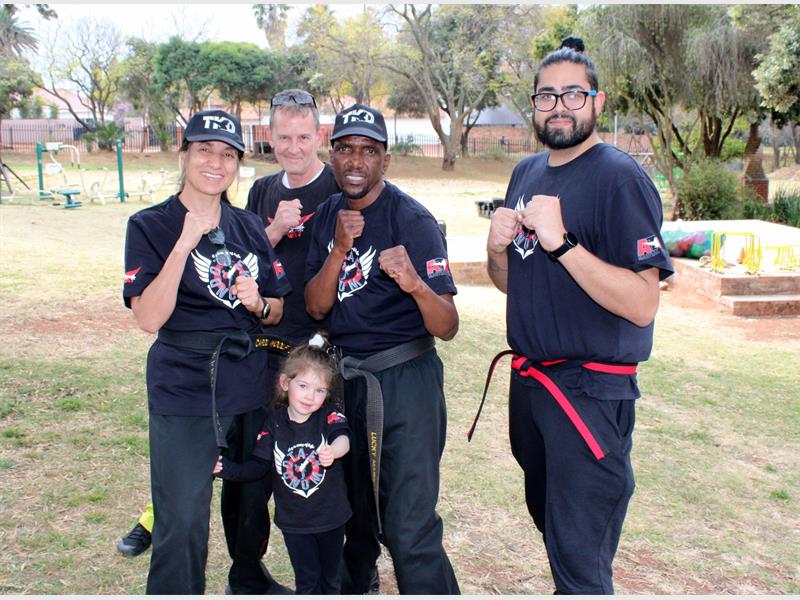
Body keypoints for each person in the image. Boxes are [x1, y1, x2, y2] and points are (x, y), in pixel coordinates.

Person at [483, 41, 674, 594]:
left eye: (573, 94)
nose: (559, 105)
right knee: (556, 532)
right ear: (533, 105)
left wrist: (562, 243)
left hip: (588, 393)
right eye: (547, 95)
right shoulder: (526, 172)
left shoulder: (619, 178)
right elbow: (514, 284)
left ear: (598, 100)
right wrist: (497, 251)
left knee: (581, 559)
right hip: (534, 386)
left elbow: (643, 303)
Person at [122, 109, 291, 594]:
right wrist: (184, 243)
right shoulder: (150, 225)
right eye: (204, 150)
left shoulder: (248, 227)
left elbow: (279, 306)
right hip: (184, 385)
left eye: (228, 154)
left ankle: (248, 576)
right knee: (182, 515)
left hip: (247, 378)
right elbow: (149, 318)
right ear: (184, 154)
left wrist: (260, 303)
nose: (216, 162)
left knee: (250, 497)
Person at [305, 103, 461, 594]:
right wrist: (337, 251)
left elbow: (448, 325)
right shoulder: (328, 216)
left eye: (368, 151)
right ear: (332, 156)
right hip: (346, 381)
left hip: (405, 383)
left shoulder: (412, 220)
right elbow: (315, 308)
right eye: (346, 149)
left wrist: (415, 283)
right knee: (353, 517)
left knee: (408, 527)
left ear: (385, 161)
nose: (355, 161)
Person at [214, 333, 352, 595]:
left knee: (331, 582)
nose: (310, 396)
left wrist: (333, 451)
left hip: (332, 520)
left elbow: (344, 438)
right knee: (308, 582)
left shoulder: (329, 416)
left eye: (320, 390)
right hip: (295, 525)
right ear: (285, 383)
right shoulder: (274, 424)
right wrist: (227, 468)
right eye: (303, 386)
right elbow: (257, 467)